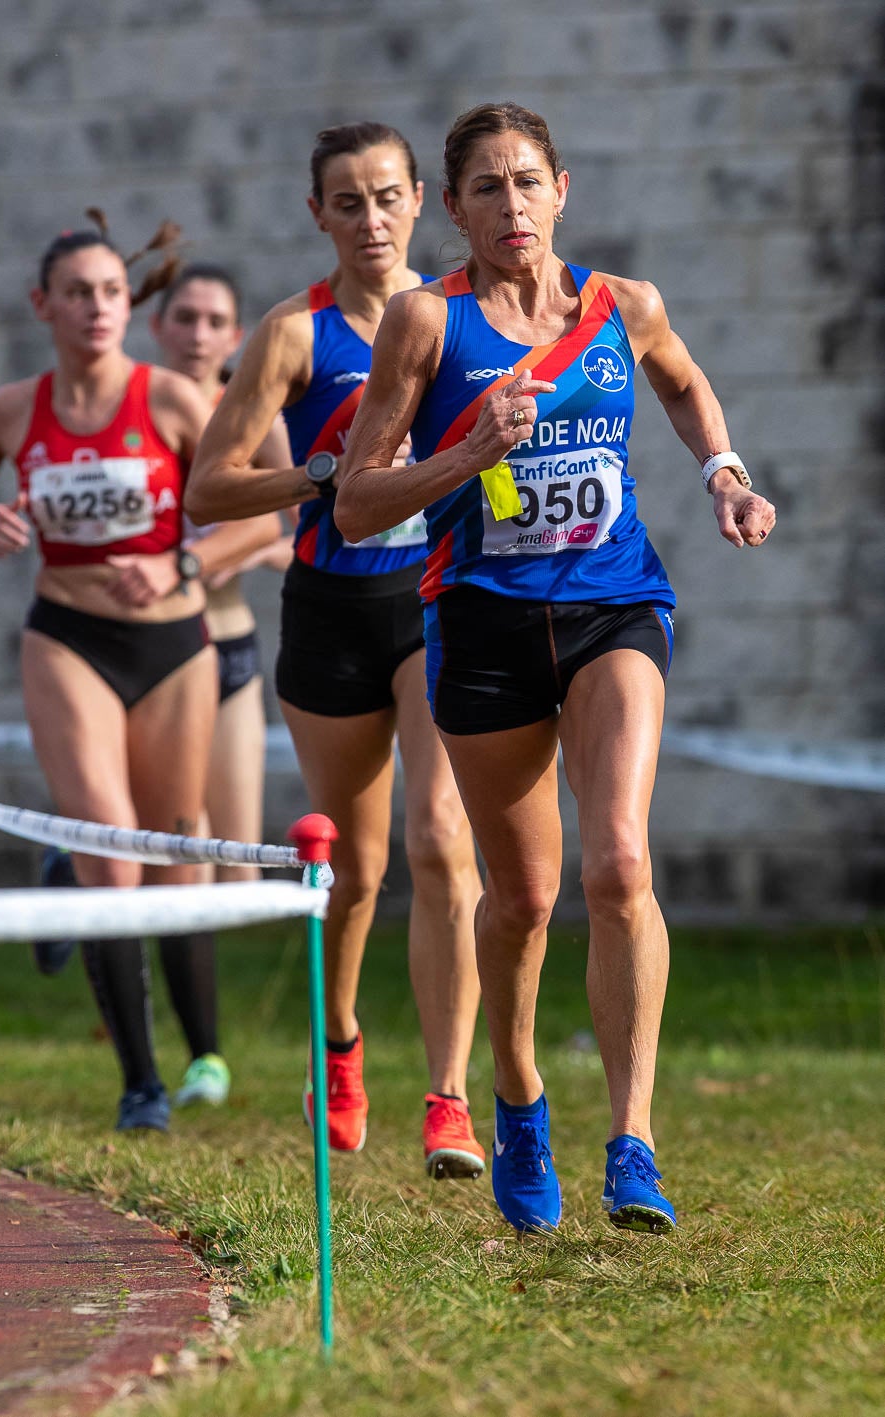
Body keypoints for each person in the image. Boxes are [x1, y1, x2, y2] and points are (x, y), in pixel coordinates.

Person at [335, 101, 777, 1233]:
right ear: (456, 207)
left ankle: (632, 1140)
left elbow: (679, 381)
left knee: (620, 862)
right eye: (486, 187)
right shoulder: (424, 327)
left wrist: (722, 470)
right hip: (482, 626)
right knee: (523, 898)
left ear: (562, 190)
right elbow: (356, 497)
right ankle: (520, 1100)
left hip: (611, 607)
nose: (511, 205)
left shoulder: (621, 307)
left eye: (528, 181)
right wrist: (470, 453)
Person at [184, 122, 486, 1180]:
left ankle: (449, 1097)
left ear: (422, 203)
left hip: (435, 599)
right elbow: (209, 488)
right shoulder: (292, 335)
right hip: (329, 608)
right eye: (347, 203)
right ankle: (343, 1043)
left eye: (388, 197)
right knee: (354, 869)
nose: (371, 220)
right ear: (317, 214)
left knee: (442, 835)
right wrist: (316, 475)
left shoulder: (462, 317)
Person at [0, 216, 233, 1133]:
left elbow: (257, 509)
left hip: (175, 643)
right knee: (115, 852)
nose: (98, 307)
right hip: (67, 636)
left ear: (126, 302)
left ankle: (203, 1051)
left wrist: (183, 564)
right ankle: (140, 1085)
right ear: (45, 306)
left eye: (111, 291)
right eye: (78, 293)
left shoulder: (176, 400)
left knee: (174, 850)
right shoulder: (11, 410)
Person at [150, 263, 292, 1106]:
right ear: (161, 326)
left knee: (233, 872)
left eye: (216, 320)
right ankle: (205, 1054)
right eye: (186, 318)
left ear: (236, 335)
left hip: (231, 644)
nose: (201, 334)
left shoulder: (249, 409)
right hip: (157, 651)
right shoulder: (137, 408)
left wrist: (233, 549)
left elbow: (288, 512)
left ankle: (76, 853)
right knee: (182, 859)